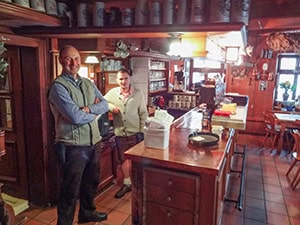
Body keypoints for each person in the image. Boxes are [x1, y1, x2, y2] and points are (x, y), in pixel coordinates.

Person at [48, 45, 109, 225]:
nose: (73, 63)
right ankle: (64, 222)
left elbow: (105, 104)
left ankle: (87, 214)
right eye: (68, 59)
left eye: (76, 58)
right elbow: (74, 116)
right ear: (61, 61)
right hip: (72, 146)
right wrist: (92, 115)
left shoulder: (88, 83)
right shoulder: (58, 87)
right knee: (70, 189)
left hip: (93, 142)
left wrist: (89, 109)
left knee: (91, 182)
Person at [104, 68, 148, 198]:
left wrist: (141, 132)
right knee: (123, 159)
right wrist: (111, 107)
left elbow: (143, 114)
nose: (124, 81)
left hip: (135, 133)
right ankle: (127, 183)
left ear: (130, 79)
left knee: (137, 160)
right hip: (120, 133)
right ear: (117, 80)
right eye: (121, 79)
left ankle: (139, 184)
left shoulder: (138, 94)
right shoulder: (112, 93)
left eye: (126, 78)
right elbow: (102, 102)